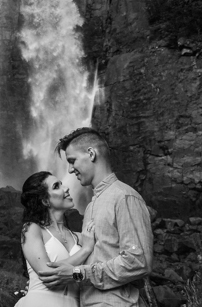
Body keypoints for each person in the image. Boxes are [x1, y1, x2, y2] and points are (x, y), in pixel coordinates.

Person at [39, 127, 153, 306]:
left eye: (72, 161)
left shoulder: (124, 197)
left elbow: (138, 261)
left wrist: (79, 273)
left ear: (91, 154)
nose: (69, 170)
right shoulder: (91, 206)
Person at [15, 171, 96, 307]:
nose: (66, 188)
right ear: (45, 201)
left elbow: (91, 272)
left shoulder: (81, 237)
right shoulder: (31, 229)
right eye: (56, 186)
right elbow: (47, 274)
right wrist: (86, 250)